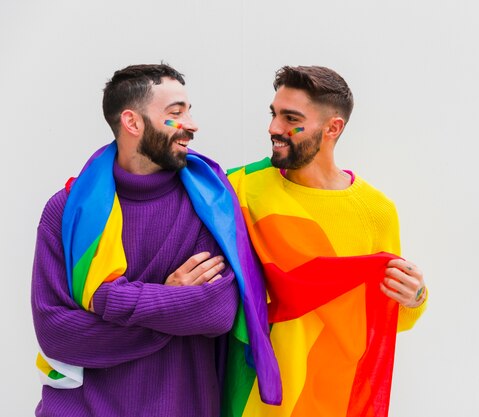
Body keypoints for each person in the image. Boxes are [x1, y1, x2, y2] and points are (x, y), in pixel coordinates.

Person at [31, 64, 280, 417]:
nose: (192, 124)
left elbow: (217, 312)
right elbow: (57, 334)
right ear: (132, 123)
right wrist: (170, 300)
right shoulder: (68, 212)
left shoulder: (209, 204)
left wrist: (109, 299)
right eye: (176, 113)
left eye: (189, 111)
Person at [223, 66, 428, 417]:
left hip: (334, 395)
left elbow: (391, 317)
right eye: (274, 114)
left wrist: (416, 297)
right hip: (256, 399)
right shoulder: (240, 189)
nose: (274, 128)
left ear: (333, 128)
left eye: (291, 118)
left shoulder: (375, 211)